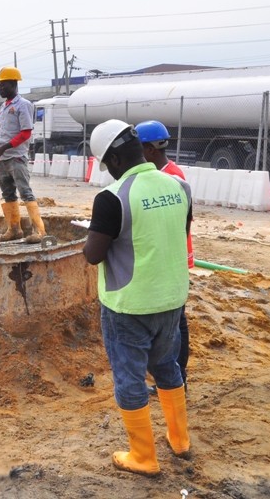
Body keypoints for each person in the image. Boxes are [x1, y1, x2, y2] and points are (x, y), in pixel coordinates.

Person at [84, 119, 193, 476]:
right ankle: (179, 441)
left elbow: (93, 255)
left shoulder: (112, 197)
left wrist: (96, 230)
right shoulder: (180, 186)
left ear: (113, 160)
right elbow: (176, 232)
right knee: (167, 366)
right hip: (172, 298)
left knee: (129, 378)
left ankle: (144, 457)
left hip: (129, 306)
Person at [136, 119, 194, 388]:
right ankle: (173, 377)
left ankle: (178, 378)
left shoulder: (172, 177)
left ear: (149, 150)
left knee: (176, 322)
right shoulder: (164, 173)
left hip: (173, 256)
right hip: (170, 254)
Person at [0, 66, 46, 244]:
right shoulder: (4, 107)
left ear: (13, 84)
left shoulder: (23, 105)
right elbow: (6, 132)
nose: (0, 88)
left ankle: (39, 231)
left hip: (16, 157)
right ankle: (14, 229)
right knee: (8, 194)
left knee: (25, 192)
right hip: (3, 158)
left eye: (3, 84)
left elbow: (26, 133)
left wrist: (3, 147)